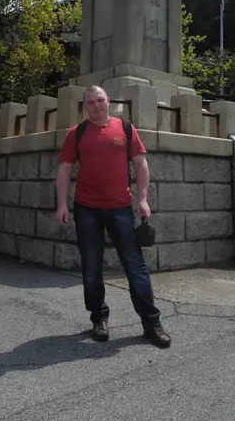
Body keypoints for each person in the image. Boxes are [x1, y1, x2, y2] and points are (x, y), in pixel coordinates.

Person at [55, 85, 171, 348]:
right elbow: (64, 170)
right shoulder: (77, 133)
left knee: (135, 266)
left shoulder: (125, 129)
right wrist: (61, 204)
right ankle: (99, 319)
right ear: (85, 106)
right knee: (91, 268)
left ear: (108, 101)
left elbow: (140, 163)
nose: (97, 105)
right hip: (86, 208)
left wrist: (142, 199)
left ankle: (151, 323)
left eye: (100, 100)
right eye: (91, 102)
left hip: (121, 208)